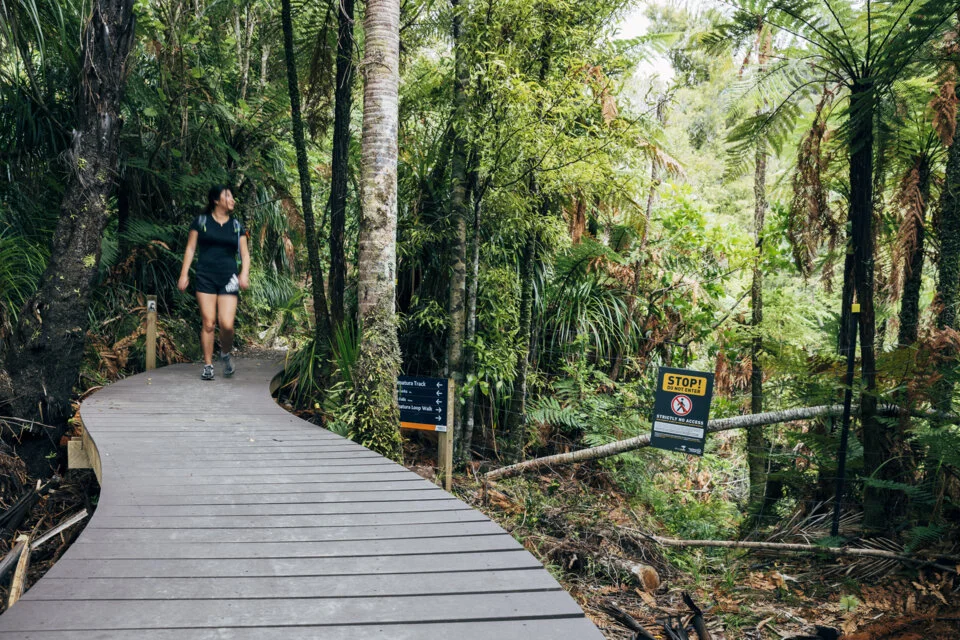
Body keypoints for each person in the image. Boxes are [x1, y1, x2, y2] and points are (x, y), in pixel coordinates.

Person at [177, 185, 250, 380]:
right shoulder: (201, 222)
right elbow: (191, 249)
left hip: (229, 278)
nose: (232, 199)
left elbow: (244, 253)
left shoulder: (236, 226)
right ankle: (208, 365)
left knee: (226, 325)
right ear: (216, 200)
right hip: (205, 276)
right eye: (228, 196)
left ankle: (225, 353)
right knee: (209, 323)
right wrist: (184, 274)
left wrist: (244, 274)